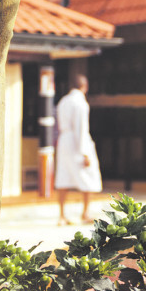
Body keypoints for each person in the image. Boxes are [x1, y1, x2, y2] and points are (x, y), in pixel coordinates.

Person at [55, 74, 101, 225]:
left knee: (63, 176)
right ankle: (85, 213)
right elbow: (81, 128)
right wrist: (85, 153)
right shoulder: (80, 103)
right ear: (85, 87)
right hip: (76, 141)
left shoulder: (63, 101)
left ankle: (62, 215)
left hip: (64, 140)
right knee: (88, 175)